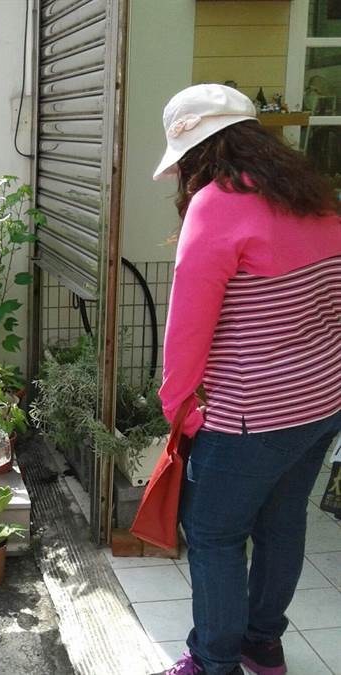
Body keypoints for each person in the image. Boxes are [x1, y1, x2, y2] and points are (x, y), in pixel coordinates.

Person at [152, 84, 341, 675]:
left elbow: (187, 328)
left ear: (197, 151)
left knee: (213, 535)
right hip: (320, 404)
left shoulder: (218, 203)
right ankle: (263, 645)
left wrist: (177, 405)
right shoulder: (316, 198)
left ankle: (213, 662)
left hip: (248, 415)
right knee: (283, 524)